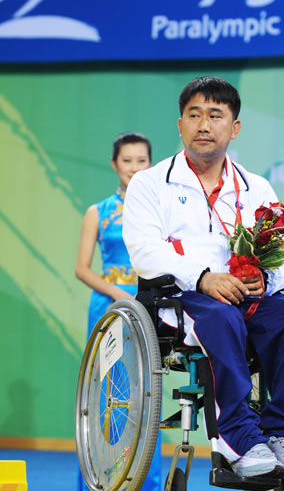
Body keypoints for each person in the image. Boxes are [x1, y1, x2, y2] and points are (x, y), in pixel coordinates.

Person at [122, 77, 284, 481]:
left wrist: (263, 278)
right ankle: (240, 438)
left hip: (250, 300)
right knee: (221, 319)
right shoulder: (150, 185)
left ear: (235, 128)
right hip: (182, 301)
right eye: (194, 115)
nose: (203, 125)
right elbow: (144, 251)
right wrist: (202, 277)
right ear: (180, 126)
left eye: (216, 115)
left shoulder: (256, 187)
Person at [75, 131, 161, 491]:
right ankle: (98, 480)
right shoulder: (98, 211)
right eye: (127, 160)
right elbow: (82, 268)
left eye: (141, 161)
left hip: (145, 307)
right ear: (114, 164)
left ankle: (146, 483)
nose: (134, 167)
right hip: (109, 307)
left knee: (147, 393)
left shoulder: (159, 212)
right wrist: (117, 294)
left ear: (150, 165)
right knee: (102, 395)